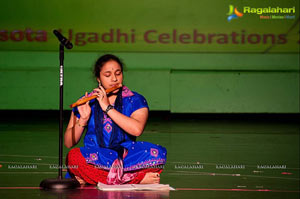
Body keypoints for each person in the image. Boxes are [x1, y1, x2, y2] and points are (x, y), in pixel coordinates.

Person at [64, 54, 167, 185]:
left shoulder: (135, 99)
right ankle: (135, 179)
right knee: (73, 157)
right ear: (98, 79)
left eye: (118, 74)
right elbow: (68, 142)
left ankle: (93, 178)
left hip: (126, 157)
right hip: (96, 158)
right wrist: (83, 120)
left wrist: (107, 107)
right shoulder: (87, 102)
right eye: (107, 75)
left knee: (157, 155)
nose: (114, 79)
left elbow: (137, 130)